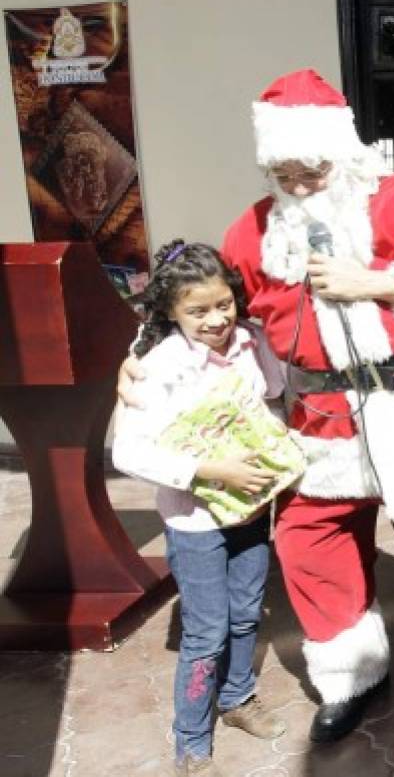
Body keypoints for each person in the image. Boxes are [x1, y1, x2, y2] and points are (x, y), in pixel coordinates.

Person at [122, 69, 394, 748]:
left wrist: (384, 282)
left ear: (341, 155)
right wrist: (140, 351)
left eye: (313, 170)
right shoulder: (251, 231)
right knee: (309, 547)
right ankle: (352, 675)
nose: (302, 185)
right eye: (286, 173)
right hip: (321, 424)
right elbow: (205, 300)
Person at [112, 241, 287, 777]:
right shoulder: (157, 366)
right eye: (198, 311)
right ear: (170, 311)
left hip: (252, 512)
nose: (216, 320)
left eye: (223, 304)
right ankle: (191, 737)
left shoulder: (250, 343)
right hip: (195, 523)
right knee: (206, 632)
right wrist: (213, 470)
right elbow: (129, 451)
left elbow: (276, 393)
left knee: (246, 612)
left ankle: (237, 699)